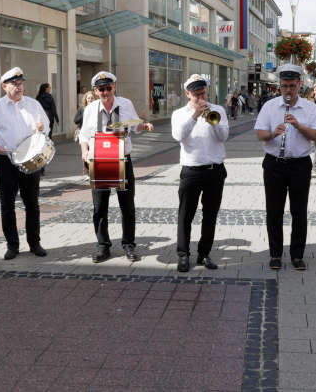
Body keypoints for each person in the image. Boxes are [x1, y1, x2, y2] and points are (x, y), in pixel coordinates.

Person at [79, 71, 154, 263]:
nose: (105, 92)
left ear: (114, 87)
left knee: (127, 206)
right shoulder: (91, 109)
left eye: (108, 88)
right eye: (101, 89)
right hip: (100, 161)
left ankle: (129, 245)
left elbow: (135, 126)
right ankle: (103, 246)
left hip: (123, 159)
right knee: (99, 207)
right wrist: (84, 151)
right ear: (95, 91)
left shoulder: (126, 104)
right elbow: (84, 135)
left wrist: (143, 126)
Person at [0, 67, 50, 260]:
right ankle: (12, 245)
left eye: (21, 84)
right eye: (15, 84)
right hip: (6, 161)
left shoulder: (34, 104)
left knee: (32, 204)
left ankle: (35, 243)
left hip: (30, 161)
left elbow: (46, 127)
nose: (19, 88)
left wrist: (43, 130)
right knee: (7, 205)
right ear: (4, 86)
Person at [255, 64, 316, 271]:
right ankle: (275, 254)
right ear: (279, 85)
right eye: (284, 86)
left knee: (299, 211)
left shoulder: (309, 107)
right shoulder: (270, 106)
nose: (288, 90)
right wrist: (274, 134)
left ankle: (297, 255)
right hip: (274, 164)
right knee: (273, 211)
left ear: (300, 85)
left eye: (292, 86)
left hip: (300, 165)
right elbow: (260, 135)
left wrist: (298, 125)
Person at [171, 74, 229, 272]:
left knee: (210, 215)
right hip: (191, 171)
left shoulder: (217, 110)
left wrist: (210, 118)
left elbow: (223, 136)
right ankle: (183, 255)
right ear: (188, 94)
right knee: (185, 215)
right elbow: (179, 135)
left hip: (215, 170)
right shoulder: (179, 114)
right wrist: (195, 116)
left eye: (203, 93)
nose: (201, 98)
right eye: (196, 95)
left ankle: (204, 254)